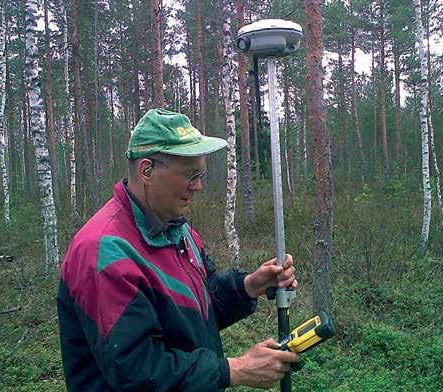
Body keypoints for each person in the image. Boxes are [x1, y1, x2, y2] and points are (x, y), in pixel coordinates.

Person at [57, 108, 300, 391]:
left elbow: (199, 309)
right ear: (146, 170)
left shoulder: (178, 230)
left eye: (201, 175)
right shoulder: (104, 253)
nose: (198, 186)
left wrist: (248, 286)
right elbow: (135, 370)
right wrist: (233, 370)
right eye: (190, 175)